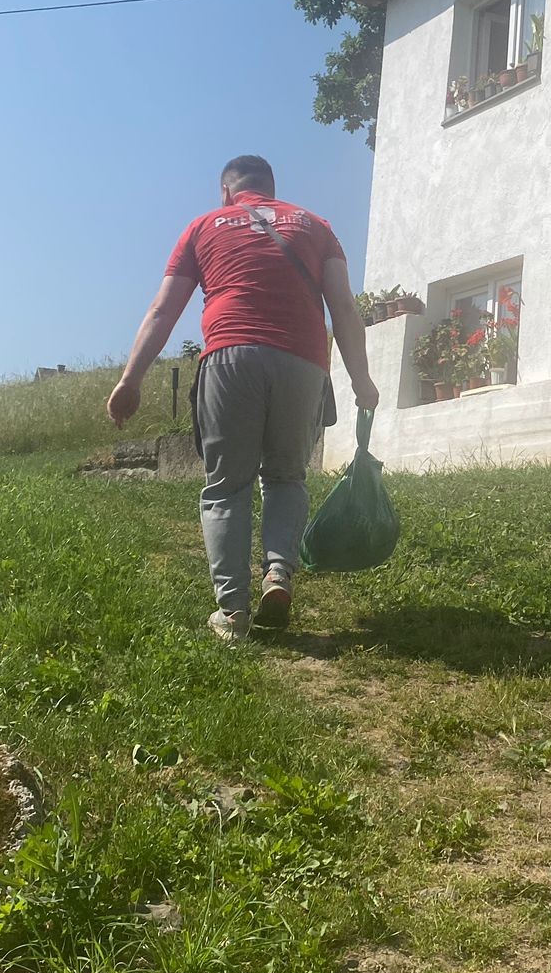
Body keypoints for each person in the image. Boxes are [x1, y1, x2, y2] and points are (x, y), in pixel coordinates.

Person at [107, 154, 378, 640]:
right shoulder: (317, 226)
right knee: (286, 476)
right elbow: (343, 307)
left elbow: (163, 309)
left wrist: (131, 379)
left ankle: (232, 612)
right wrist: (361, 381)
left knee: (226, 486)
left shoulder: (203, 226)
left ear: (226, 191)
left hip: (231, 355)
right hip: (303, 363)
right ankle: (278, 573)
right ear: (271, 187)